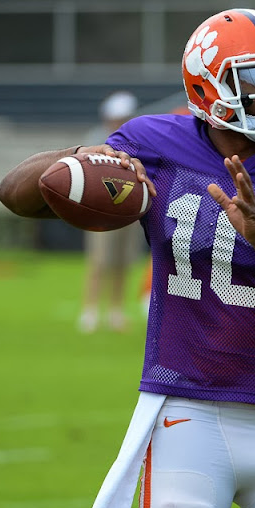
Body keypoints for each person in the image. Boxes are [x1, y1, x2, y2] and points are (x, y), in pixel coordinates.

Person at [0, 8, 255, 508]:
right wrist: (83, 155)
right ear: (207, 87)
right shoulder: (155, 144)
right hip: (187, 417)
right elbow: (13, 193)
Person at [77, 91, 141, 333]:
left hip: (129, 210)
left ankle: (116, 310)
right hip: (101, 210)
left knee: (123, 262)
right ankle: (90, 310)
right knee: (99, 261)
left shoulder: (135, 141)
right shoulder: (95, 139)